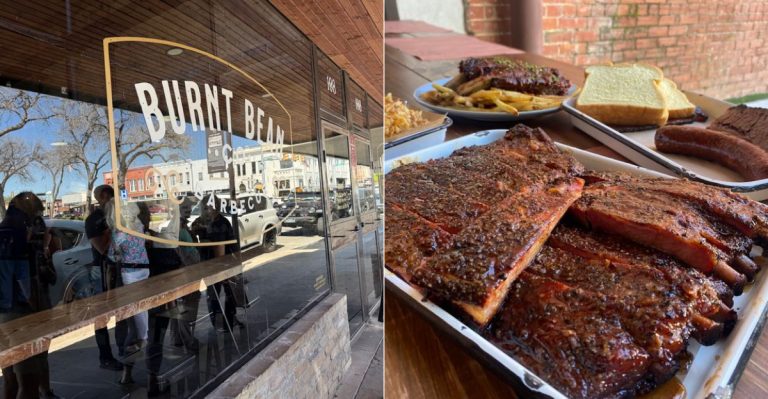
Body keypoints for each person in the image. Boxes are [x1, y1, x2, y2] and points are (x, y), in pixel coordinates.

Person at [0, 192, 60, 399]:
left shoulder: (4, 230)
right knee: (28, 381)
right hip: (20, 315)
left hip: (4, 314)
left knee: (10, 379)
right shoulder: (17, 233)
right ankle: (44, 390)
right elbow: (26, 280)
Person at [104, 197, 150, 384]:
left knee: (135, 315)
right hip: (144, 268)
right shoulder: (138, 225)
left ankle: (142, 341)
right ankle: (144, 340)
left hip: (129, 272)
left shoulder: (119, 232)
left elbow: (112, 256)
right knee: (142, 309)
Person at [85, 185, 123, 371]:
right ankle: (105, 356)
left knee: (122, 311)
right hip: (102, 270)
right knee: (101, 315)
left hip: (118, 267)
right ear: (104, 196)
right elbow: (101, 248)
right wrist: (111, 231)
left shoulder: (116, 215)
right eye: (111, 197)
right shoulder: (95, 219)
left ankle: (123, 350)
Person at [190, 195, 241, 332]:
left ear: (217, 207)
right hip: (208, 264)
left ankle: (231, 319)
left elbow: (232, 243)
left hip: (225, 263)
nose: (208, 210)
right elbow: (191, 238)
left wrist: (236, 263)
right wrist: (199, 240)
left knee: (230, 292)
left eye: (211, 207)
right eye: (205, 207)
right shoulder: (200, 222)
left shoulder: (223, 222)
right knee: (213, 295)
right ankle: (217, 323)